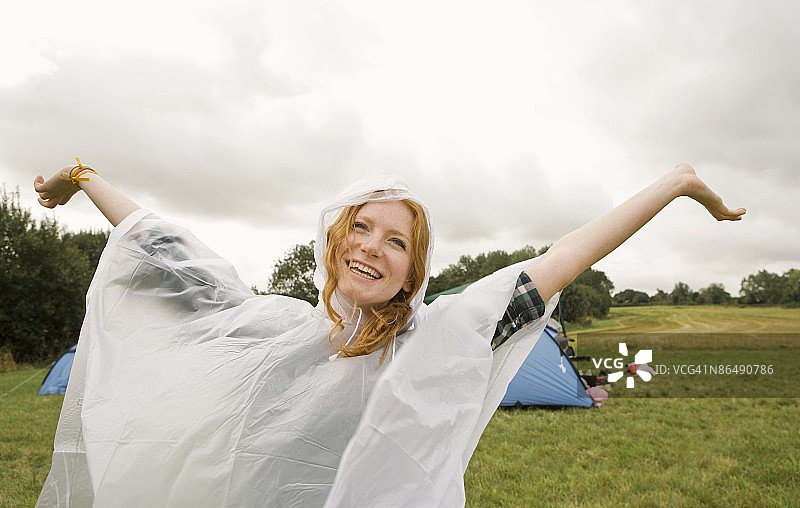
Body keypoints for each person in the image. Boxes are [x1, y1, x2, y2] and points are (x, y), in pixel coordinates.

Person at [32, 162, 744, 507]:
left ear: (413, 273)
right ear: (336, 241)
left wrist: (677, 184)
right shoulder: (278, 329)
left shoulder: (436, 341)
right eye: (361, 228)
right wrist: (85, 176)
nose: (372, 247)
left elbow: (559, 262)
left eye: (396, 242)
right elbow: (165, 249)